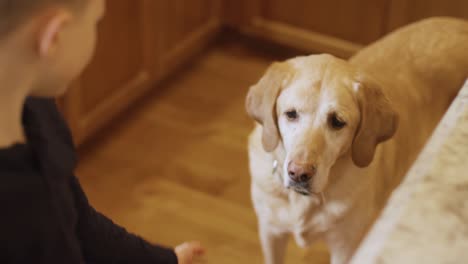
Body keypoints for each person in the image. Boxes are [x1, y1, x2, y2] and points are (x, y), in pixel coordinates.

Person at [0, 0, 205, 263]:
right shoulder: (22, 208)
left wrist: (162, 259)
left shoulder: (35, 108)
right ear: (55, 36)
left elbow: (78, 221)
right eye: (97, 20)